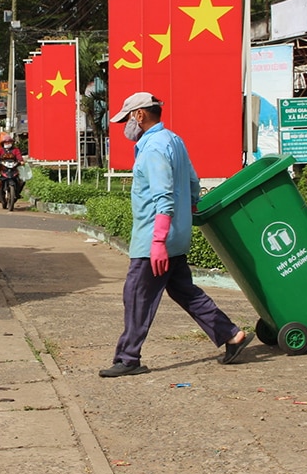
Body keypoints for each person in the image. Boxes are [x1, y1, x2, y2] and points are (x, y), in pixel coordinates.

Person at [100, 92, 252, 377]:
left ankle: (128, 358)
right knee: (185, 291)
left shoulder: (154, 148)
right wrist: (187, 212)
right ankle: (231, 335)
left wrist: (158, 241)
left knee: (136, 296)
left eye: (127, 119)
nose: (125, 126)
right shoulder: (173, 140)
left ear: (140, 115)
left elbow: (163, 197)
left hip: (154, 240)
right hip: (176, 236)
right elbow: (193, 182)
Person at [0, 132, 25, 197]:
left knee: (22, 180)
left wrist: (21, 161)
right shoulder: (0, 150)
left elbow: (19, 156)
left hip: (13, 168)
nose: (8, 144)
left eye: (9, 142)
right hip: (1, 168)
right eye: (6, 142)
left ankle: (17, 193)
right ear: (3, 143)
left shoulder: (16, 150)